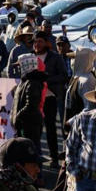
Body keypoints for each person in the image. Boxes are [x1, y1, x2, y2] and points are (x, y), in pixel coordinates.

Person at [33, 30, 67, 168]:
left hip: (49, 97)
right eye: (35, 42)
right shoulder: (29, 58)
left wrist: (46, 79)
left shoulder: (55, 57)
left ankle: (54, 158)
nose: (37, 44)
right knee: (35, 129)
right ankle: (34, 158)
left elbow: (64, 75)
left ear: (46, 43)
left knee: (50, 128)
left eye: (40, 41)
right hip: (34, 97)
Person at [10, 54, 47, 164]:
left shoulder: (33, 83)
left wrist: (18, 116)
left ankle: (38, 177)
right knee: (27, 152)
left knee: (32, 152)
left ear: (26, 65)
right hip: (25, 123)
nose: (18, 68)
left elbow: (31, 105)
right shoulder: (25, 81)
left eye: (20, 65)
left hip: (30, 124)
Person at [64, 48, 96, 125]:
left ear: (82, 60)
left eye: (74, 58)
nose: (72, 61)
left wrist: (71, 121)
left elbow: (90, 109)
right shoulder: (77, 77)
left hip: (82, 127)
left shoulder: (86, 81)